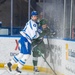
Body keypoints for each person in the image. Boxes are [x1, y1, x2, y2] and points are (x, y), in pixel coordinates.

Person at [4, 11, 40, 75]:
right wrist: (39, 36)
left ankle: (9, 64)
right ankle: (18, 68)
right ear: (31, 17)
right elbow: (34, 35)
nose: (35, 17)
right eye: (34, 16)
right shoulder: (34, 24)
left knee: (21, 54)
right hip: (26, 40)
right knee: (27, 54)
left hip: (23, 39)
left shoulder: (30, 22)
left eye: (36, 16)